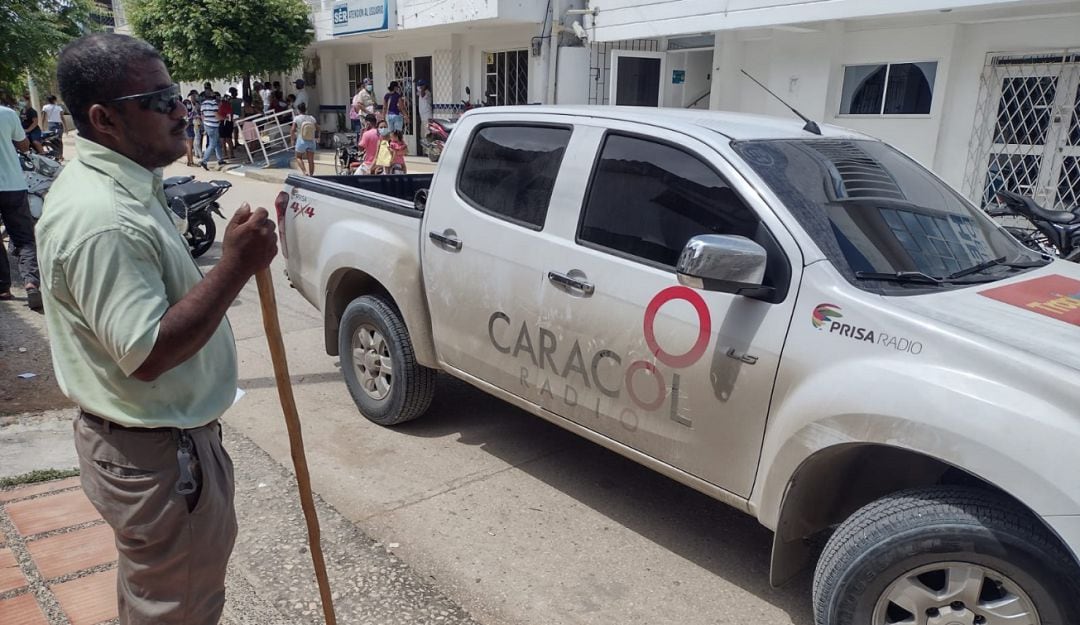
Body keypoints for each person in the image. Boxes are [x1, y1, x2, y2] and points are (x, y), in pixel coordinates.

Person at [39, 32, 277, 625]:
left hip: (153, 444)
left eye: (176, 93)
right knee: (179, 606)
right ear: (104, 119)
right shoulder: (105, 218)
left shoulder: (129, 182)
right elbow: (145, 353)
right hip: (157, 454)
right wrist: (235, 268)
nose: (181, 109)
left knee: (161, 598)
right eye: (160, 98)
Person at [0, 102, 42, 310]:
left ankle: (3, 288)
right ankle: (31, 283)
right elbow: (24, 145)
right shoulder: (7, 113)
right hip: (13, 186)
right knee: (24, 237)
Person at [199, 88, 225, 170]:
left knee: (216, 142)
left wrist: (205, 124)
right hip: (213, 125)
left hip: (207, 124)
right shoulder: (214, 104)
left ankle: (220, 159)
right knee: (212, 144)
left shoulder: (203, 104)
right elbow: (216, 116)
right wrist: (224, 118)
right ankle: (204, 161)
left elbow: (202, 116)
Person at [290, 102, 319, 176]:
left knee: (298, 157)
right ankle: (311, 175)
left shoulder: (296, 118)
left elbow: (292, 129)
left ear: (298, 110)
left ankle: (305, 172)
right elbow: (318, 128)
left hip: (301, 140)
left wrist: (292, 140)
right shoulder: (312, 118)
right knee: (311, 160)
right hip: (311, 141)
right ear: (306, 109)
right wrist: (318, 137)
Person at [185, 90, 202, 162]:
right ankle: (190, 160)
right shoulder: (187, 103)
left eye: (194, 96)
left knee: (191, 142)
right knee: (190, 143)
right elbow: (188, 114)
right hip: (190, 124)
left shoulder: (197, 104)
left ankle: (191, 159)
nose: (194, 97)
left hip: (194, 123)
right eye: (192, 96)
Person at [416, 79, 432, 147]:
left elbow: (422, 94)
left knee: (427, 134)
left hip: (427, 117)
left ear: (425, 86)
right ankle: (424, 150)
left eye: (421, 86)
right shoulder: (420, 92)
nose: (420, 87)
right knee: (422, 135)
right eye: (419, 86)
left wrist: (421, 88)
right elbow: (417, 93)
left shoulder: (427, 93)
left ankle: (428, 150)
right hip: (423, 117)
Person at [218, 94, 234, 159]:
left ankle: (225, 154)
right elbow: (231, 115)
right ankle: (231, 154)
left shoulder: (221, 106)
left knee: (223, 139)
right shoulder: (229, 106)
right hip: (229, 123)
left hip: (223, 122)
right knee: (229, 139)